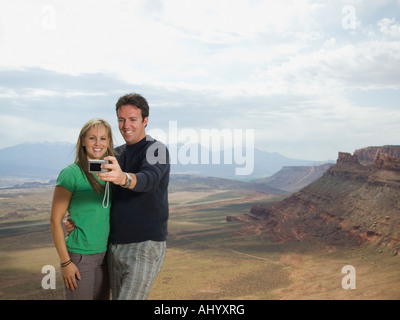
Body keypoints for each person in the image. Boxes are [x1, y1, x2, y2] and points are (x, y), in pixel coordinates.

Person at [65, 93, 170, 300]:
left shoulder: (155, 149)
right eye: (121, 120)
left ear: (145, 121)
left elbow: (149, 178)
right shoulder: (116, 153)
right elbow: (91, 185)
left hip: (144, 245)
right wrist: (74, 217)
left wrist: (124, 178)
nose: (126, 125)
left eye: (132, 119)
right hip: (112, 247)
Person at [50, 118, 115, 300]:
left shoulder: (111, 173)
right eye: (92, 138)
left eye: (103, 138)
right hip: (79, 257)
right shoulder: (71, 174)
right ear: (83, 141)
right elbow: (55, 220)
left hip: (105, 256)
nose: (98, 143)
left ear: (109, 141)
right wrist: (66, 262)